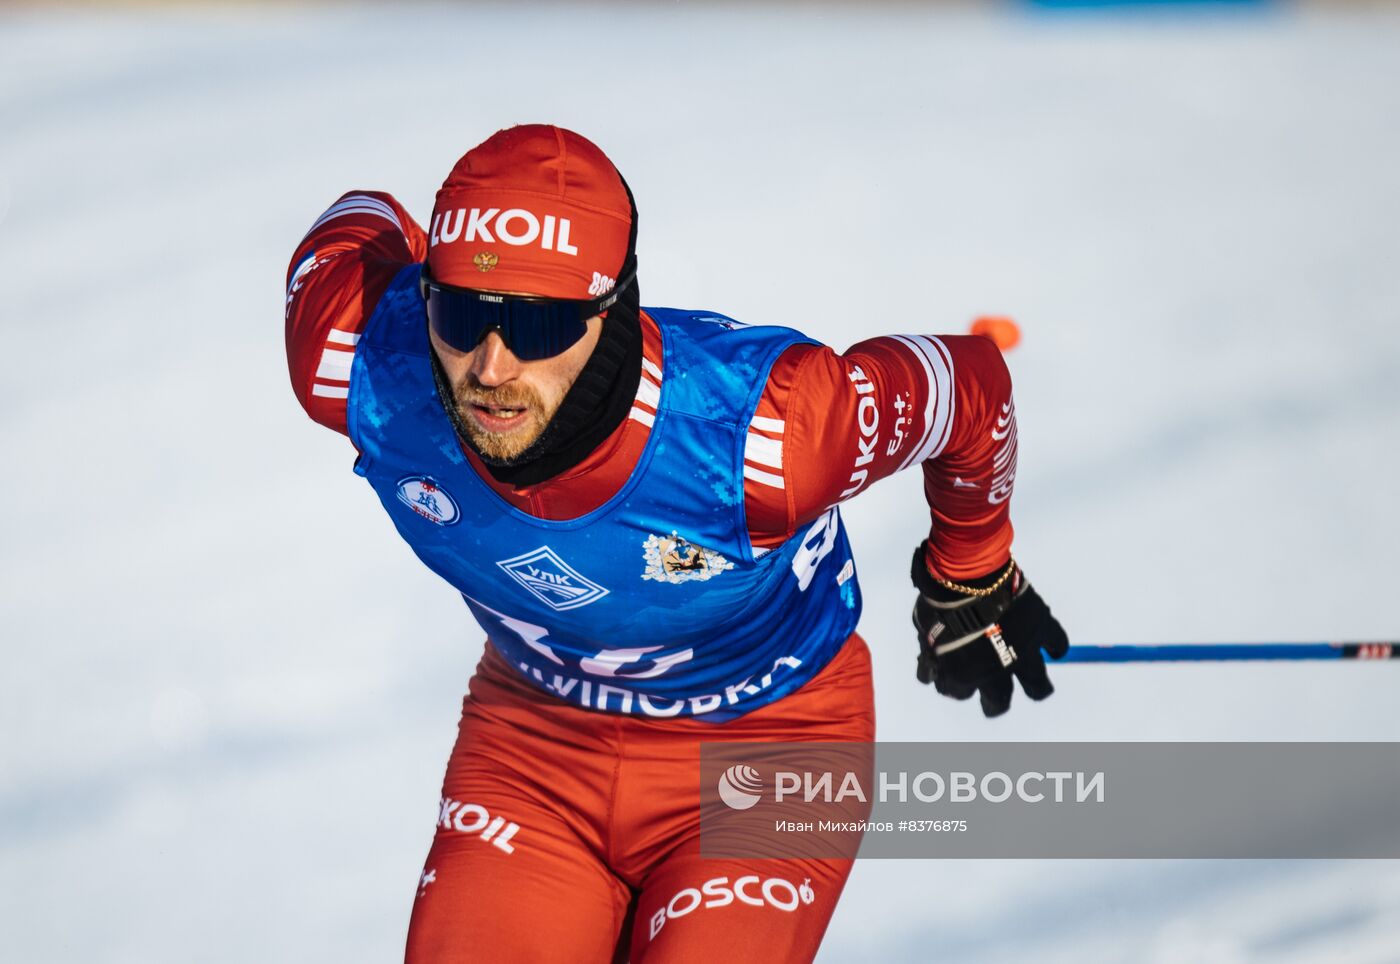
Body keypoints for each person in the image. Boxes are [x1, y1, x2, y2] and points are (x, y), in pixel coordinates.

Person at [285, 124, 1069, 963]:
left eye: (541, 329)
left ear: (612, 309)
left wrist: (973, 569)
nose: (491, 367)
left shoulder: (765, 435)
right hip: (535, 751)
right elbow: (358, 218)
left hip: (769, 750)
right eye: (463, 311)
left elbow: (973, 389)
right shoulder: (352, 354)